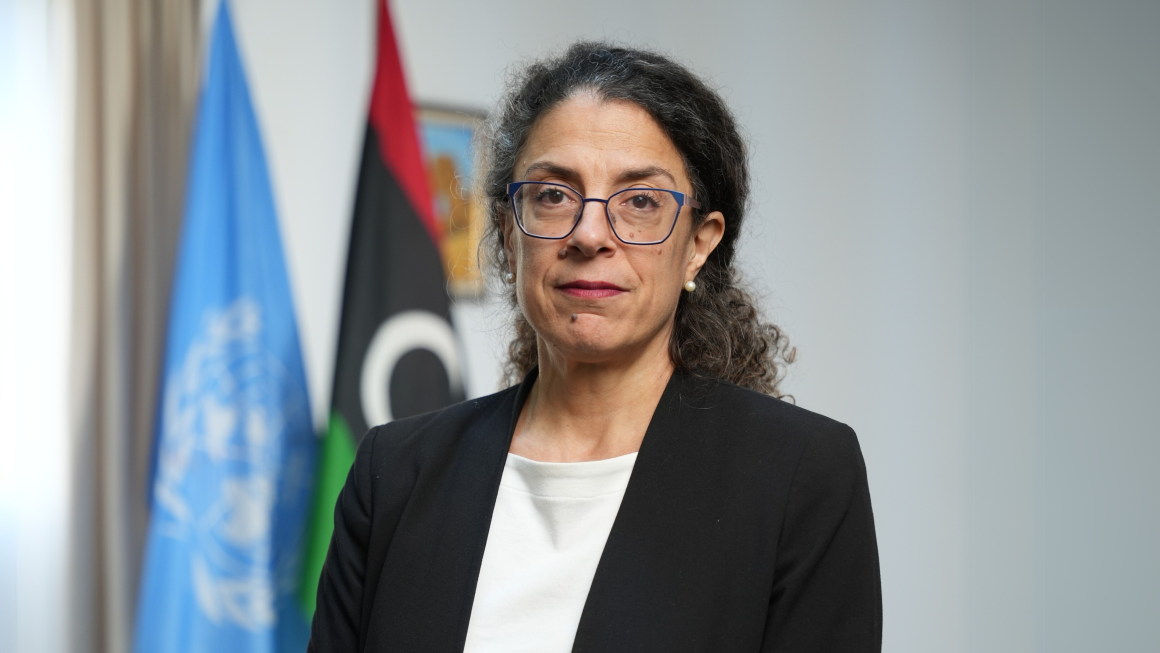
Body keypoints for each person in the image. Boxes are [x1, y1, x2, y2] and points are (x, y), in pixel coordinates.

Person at [308, 42, 881, 653]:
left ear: (698, 245)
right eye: (553, 195)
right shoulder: (394, 472)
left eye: (640, 202)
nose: (589, 234)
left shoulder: (800, 477)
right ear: (508, 232)